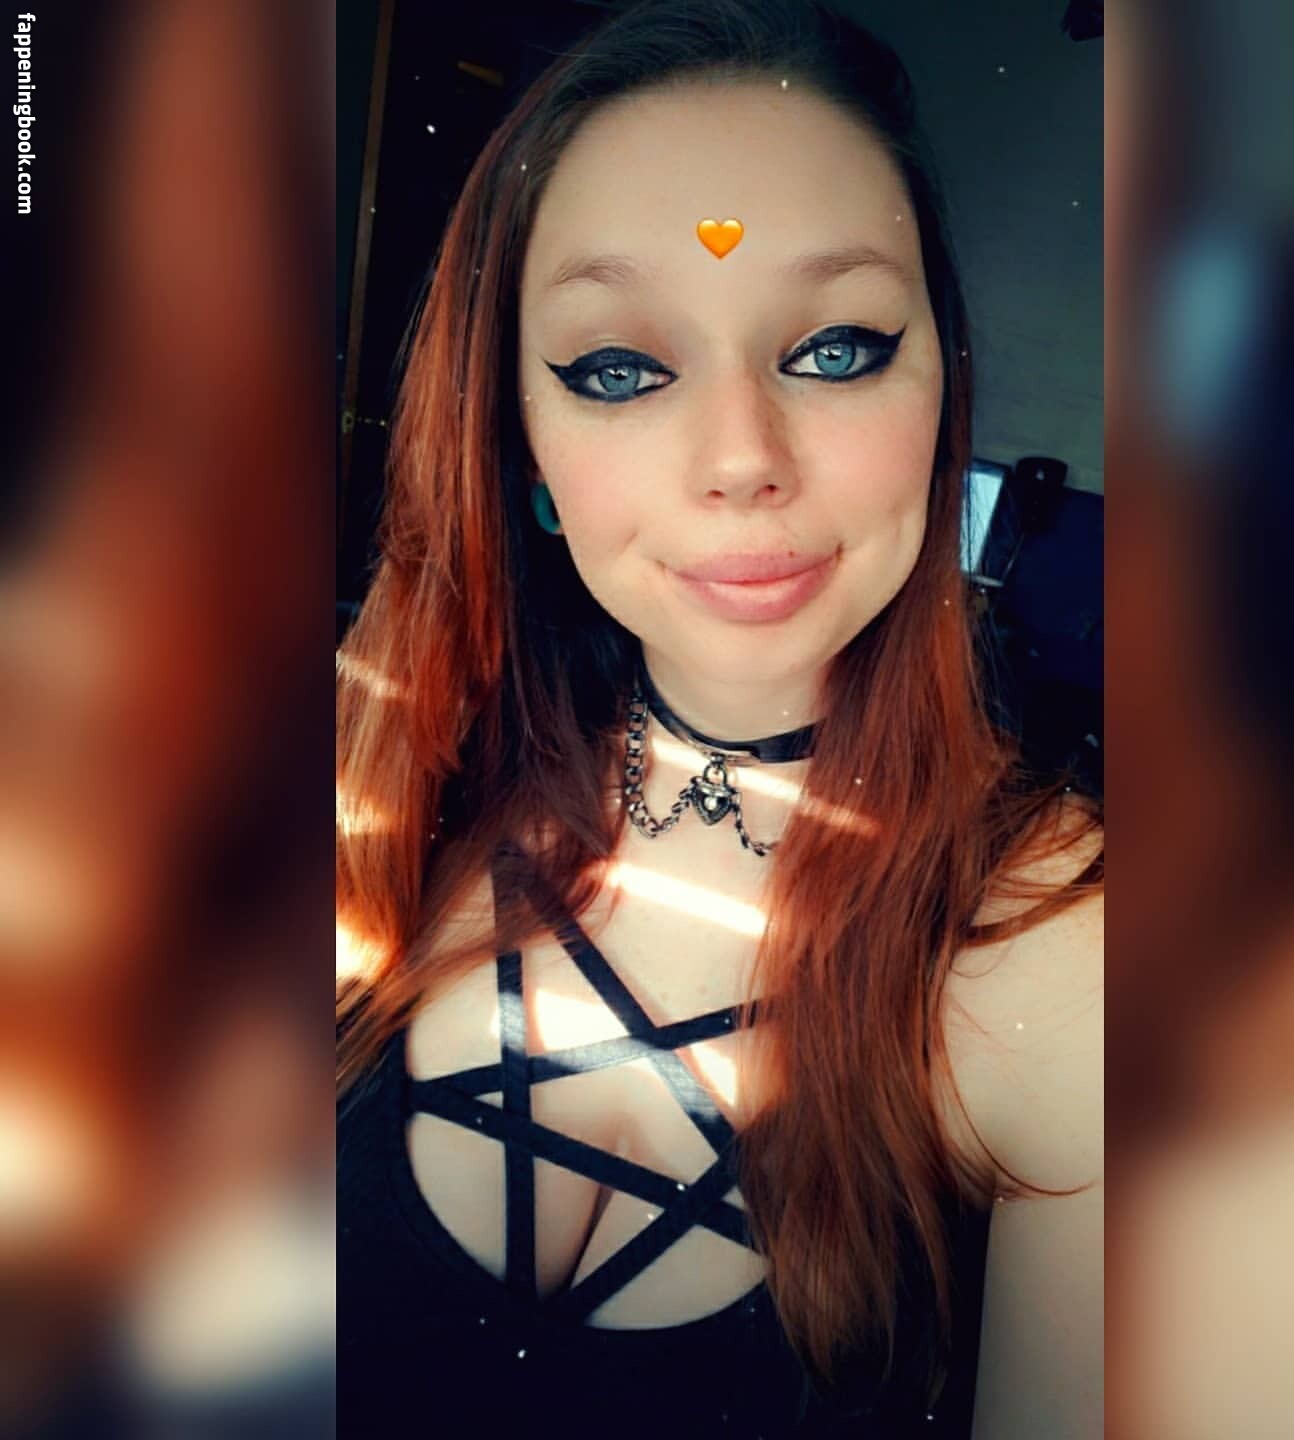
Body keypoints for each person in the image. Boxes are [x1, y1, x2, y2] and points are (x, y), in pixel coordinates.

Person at [336, 1, 1102, 1434]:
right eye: (620, 368)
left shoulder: (1071, 957)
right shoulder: (376, 778)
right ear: (522, 443)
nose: (743, 458)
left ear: (942, 390)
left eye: (837, 348)